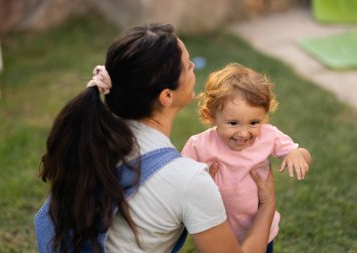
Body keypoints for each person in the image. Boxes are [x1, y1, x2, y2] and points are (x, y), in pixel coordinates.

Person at [34, 24, 276, 253]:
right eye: (186, 65)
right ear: (167, 96)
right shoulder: (188, 180)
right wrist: (266, 205)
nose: (192, 65)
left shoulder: (97, 138)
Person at [182, 63, 312, 252]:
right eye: (233, 123)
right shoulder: (199, 145)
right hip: (215, 232)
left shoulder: (268, 136)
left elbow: (301, 153)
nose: (243, 133)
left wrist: (297, 155)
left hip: (260, 229)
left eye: (254, 122)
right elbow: (181, 179)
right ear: (210, 115)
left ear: (264, 117)